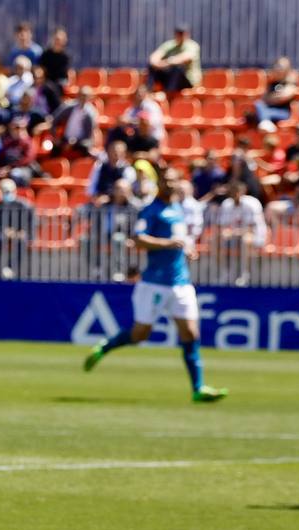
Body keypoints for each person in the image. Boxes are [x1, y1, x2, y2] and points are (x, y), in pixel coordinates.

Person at [82, 167, 227, 402]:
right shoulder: (152, 210)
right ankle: (106, 347)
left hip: (180, 282)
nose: (171, 185)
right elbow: (138, 240)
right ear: (159, 183)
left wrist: (187, 249)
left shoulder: (178, 208)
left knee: (190, 333)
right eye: (167, 181)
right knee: (140, 334)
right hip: (153, 284)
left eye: (174, 180)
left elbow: (181, 240)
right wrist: (169, 243)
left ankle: (198, 388)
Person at [147, 23, 200, 94]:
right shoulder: (169, 45)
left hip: (188, 81)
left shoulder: (192, 45)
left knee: (177, 68)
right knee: (152, 67)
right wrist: (157, 64)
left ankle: (169, 94)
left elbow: (184, 58)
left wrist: (167, 62)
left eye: (183, 33)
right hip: (170, 79)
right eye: (179, 33)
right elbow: (153, 58)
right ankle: (148, 91)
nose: (181, 36)